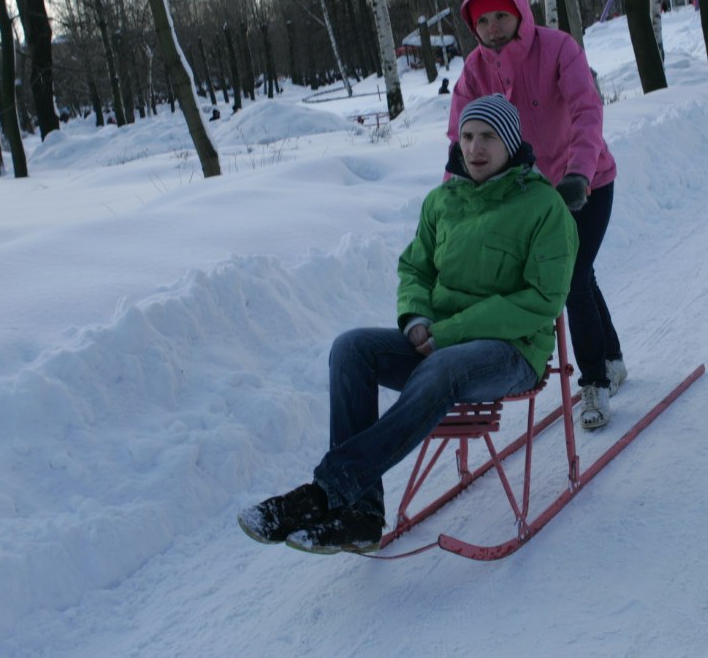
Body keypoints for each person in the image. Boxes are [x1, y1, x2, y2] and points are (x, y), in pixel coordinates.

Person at [238, 94, 577, 554]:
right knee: (351, 349)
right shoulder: (442, 201)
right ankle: (361, 514)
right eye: (469, 136)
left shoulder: (543, 207)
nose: (475, 148)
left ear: (512, 143)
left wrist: (449, 332)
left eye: (489, 138)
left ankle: (327, 491)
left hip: (512, 352)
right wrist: (416, 319)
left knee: (443, 369)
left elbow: (543, 299)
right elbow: (415, 269)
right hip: (437, 343)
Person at [448, 0, 626, 431]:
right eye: (482, 21)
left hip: (587, 182)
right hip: (531, 196)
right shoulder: (475, 71)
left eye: (501, 16)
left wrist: (579, 174)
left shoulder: (558, 48)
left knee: (569, 278)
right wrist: (454, 198)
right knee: (580, 275)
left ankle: (594, 383)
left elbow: (587, 110)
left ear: (520, 12)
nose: (492, 28)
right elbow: (460, 138)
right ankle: (612, 357)